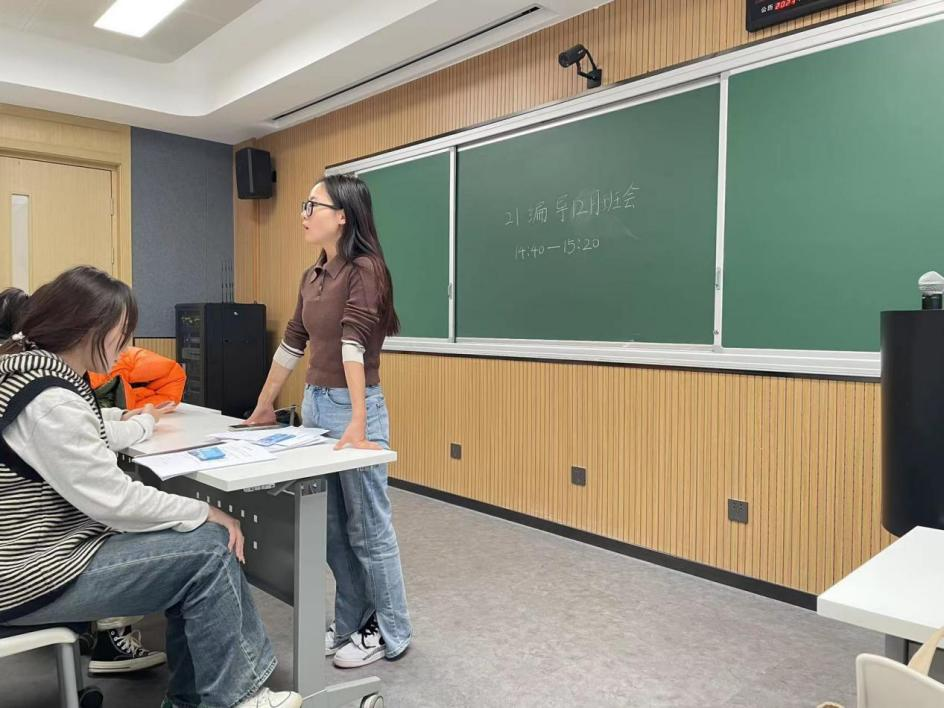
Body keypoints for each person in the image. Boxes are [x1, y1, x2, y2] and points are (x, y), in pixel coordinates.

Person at [0, 266, 301, 708]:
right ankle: (237, 697)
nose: (127, 346)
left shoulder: (29, 374)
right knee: (208, 551)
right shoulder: (51, 401)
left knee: (195, 548)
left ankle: (192, 700)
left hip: (30, 555)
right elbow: (115, 500)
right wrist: (204, 509)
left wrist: (138, 422)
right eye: (122, 333)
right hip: (28, 573)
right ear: (88, 329)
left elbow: (87, 432)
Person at [248, 174, 412, 668]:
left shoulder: (366, 270)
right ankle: (350, 623)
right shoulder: (313, 275)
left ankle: (392, 631)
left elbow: (353, 344)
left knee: (369, 529)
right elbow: (291, 344)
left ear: (342, 216)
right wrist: (263, 405)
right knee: (333, 530)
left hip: (353, 407)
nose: (303, 214)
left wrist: (358, 420)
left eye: (312, 205)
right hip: (317, 406)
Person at [0, 285, 171, 674]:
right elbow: (112, 495)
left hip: (22, 548)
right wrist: (145, 422)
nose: (126, 346)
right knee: (175, 538)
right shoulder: (45, 392)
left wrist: (123, 416)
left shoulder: (21, 371)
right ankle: (112, 641)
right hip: (28, 564)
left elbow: (79, 424)